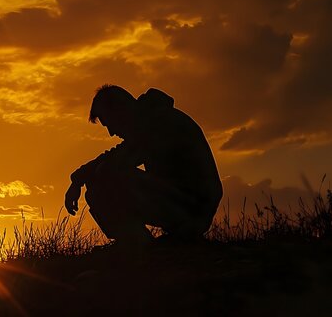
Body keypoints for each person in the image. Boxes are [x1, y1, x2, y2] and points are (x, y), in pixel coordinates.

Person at [65, 85, 222, 245]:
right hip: (186, 203)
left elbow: (116, 161)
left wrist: (80, 179)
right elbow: (116, 155)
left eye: (109, 124)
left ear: (120, 112)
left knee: (104, 177)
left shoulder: (158, 124)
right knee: (100, 177)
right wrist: (77, 179)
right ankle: (140, 243)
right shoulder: (149, 121)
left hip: (194, 210)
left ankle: (137, 245)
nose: (111, 132)